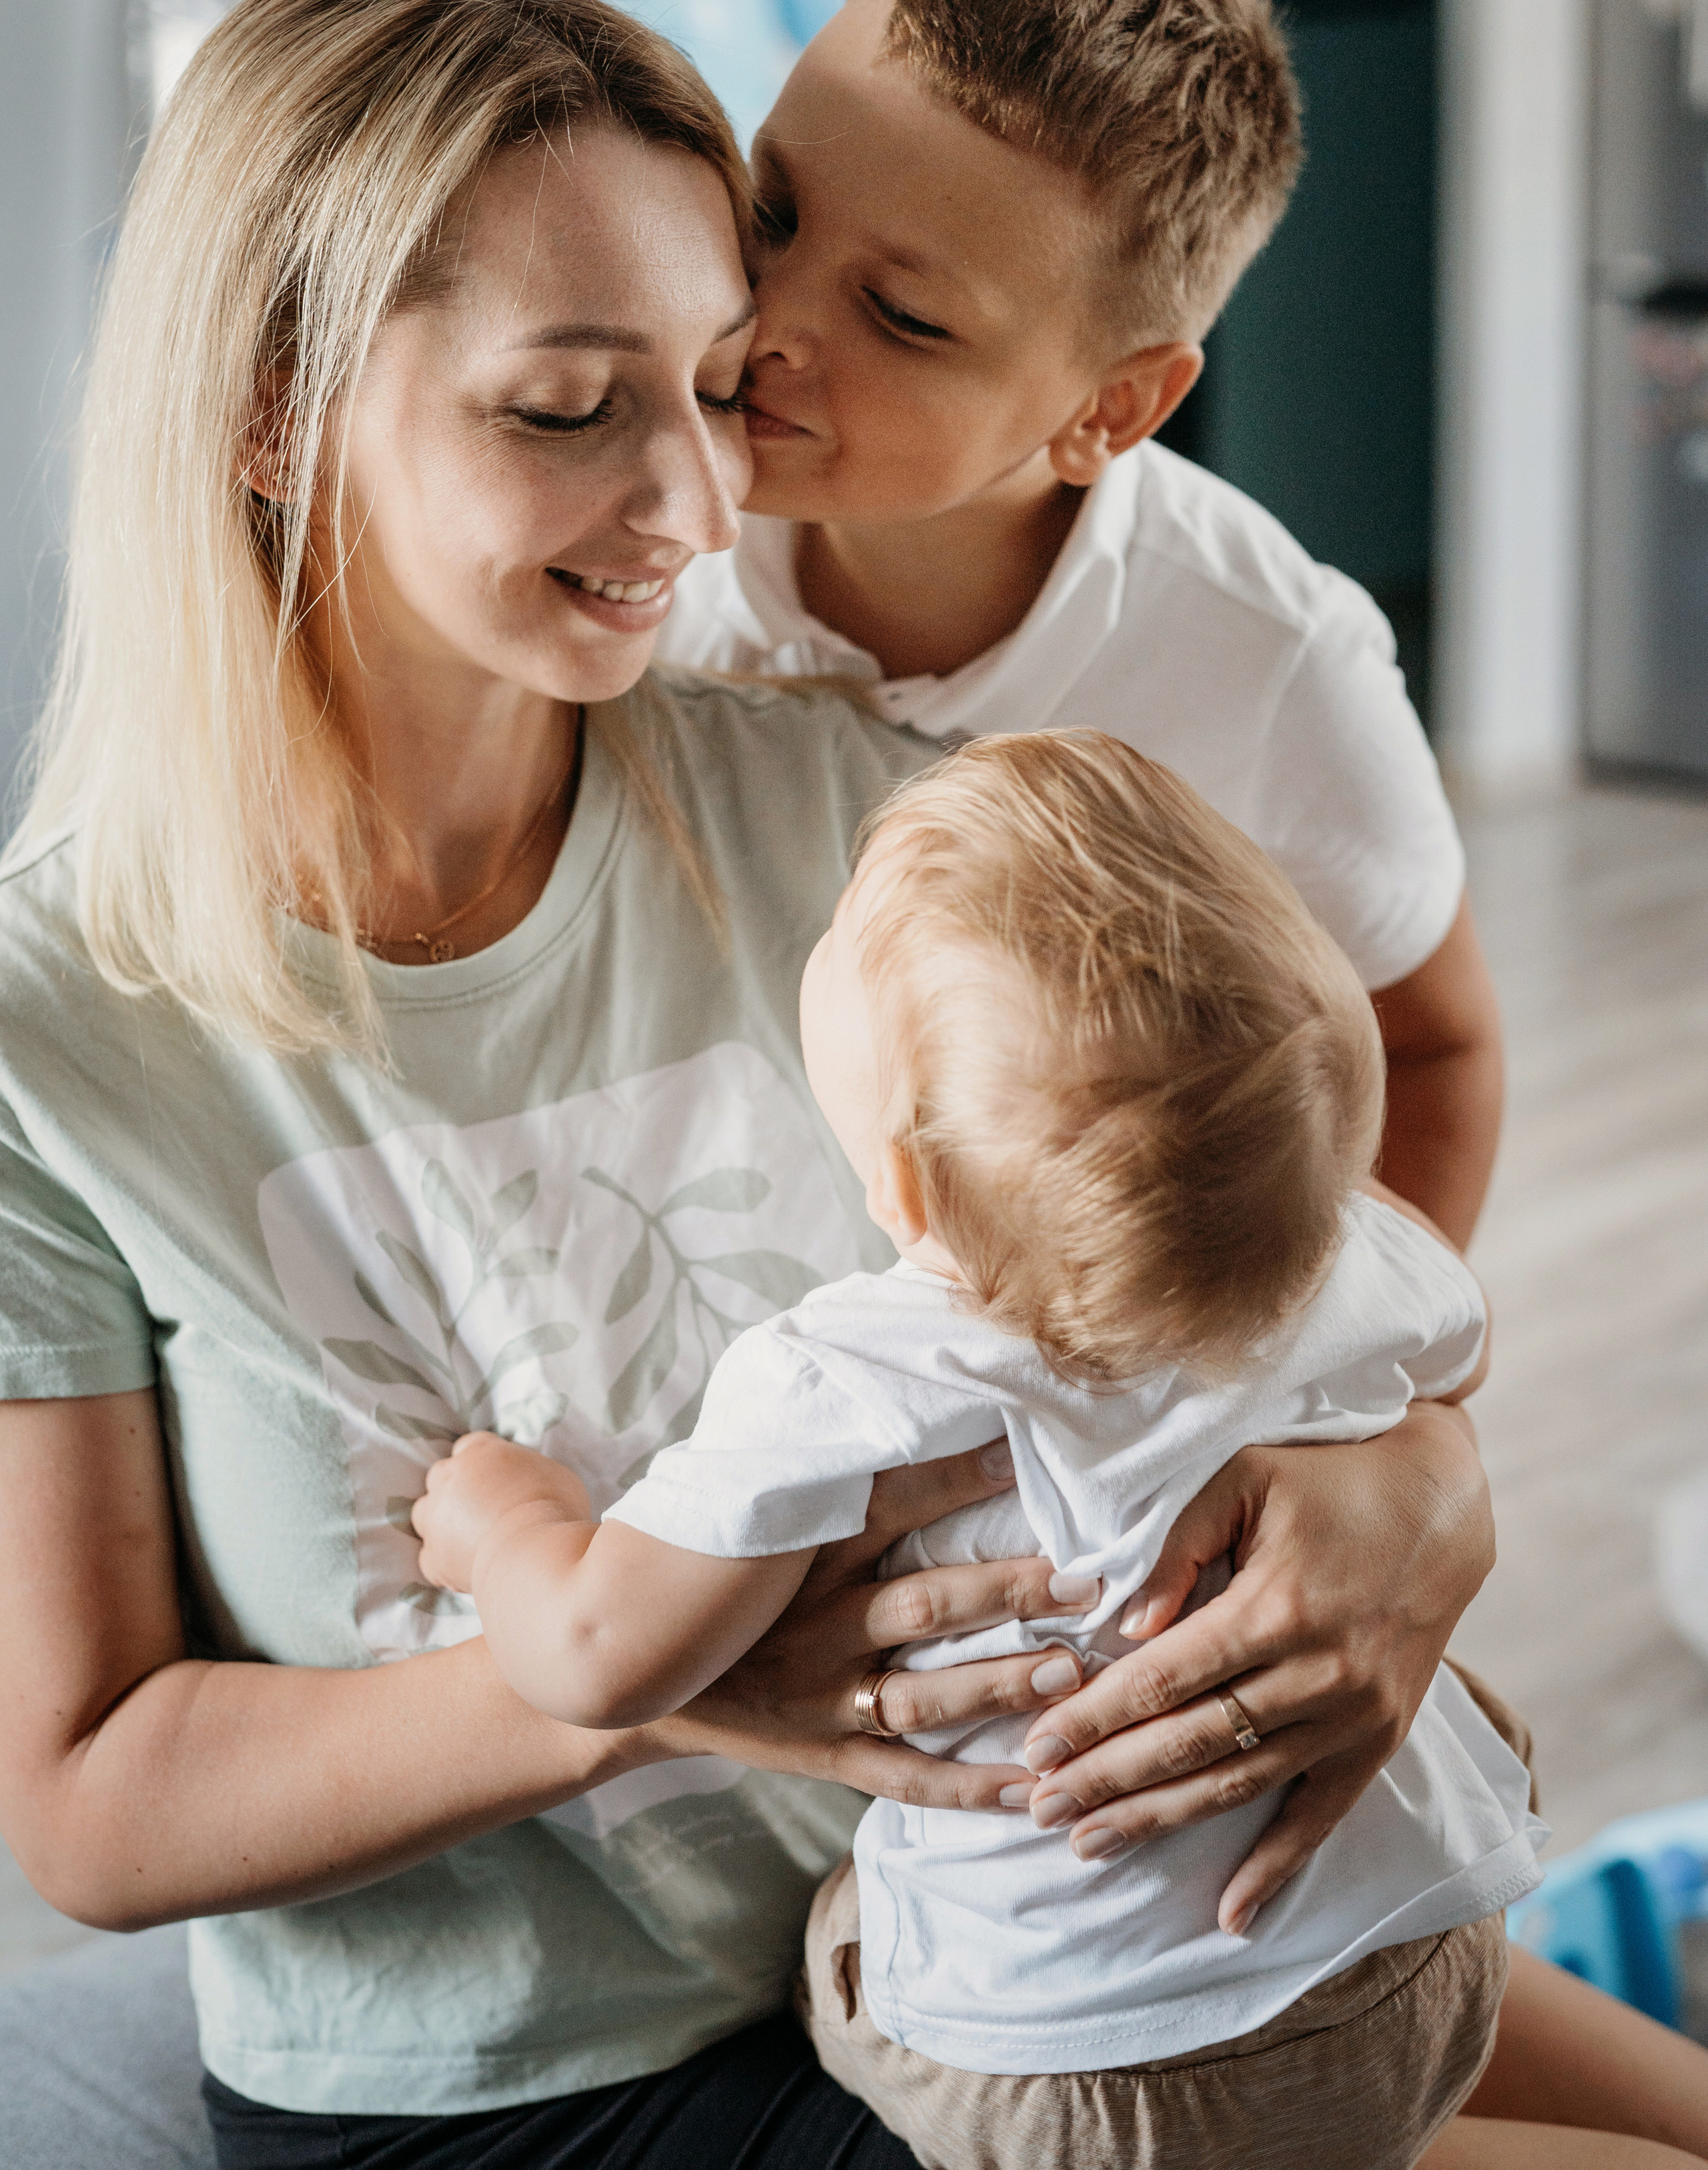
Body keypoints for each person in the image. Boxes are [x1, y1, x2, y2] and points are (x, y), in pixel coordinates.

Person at [0, 0, 1688, 2170]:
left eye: (714, 383)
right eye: (564, 404)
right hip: (539, 2081)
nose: (710, 509)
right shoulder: (59, 1028)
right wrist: (634, 1681)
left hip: (976, 1917)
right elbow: (94, 1807)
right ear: (270, 406)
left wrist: (1414, 1478)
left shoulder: (873, 821)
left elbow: (1199, 1237)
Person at [412, 729, 1543, 2170]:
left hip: (1089, 2080)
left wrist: (506, 1529)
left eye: (840, 930)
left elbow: (590, 1656)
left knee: (848, 1942)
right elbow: (1464, 1344)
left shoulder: (846, 1375)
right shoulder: (1356, 1244)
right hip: (1414, 1963)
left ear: (895, 1181)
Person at [660, 0, 1503, 1257]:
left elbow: (1434, 1051)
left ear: (1106, 412)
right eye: (773, 206)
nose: (771, 323)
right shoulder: (643, 530)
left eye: (901, 315)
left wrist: (1361, 1388)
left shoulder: (1268, 661)